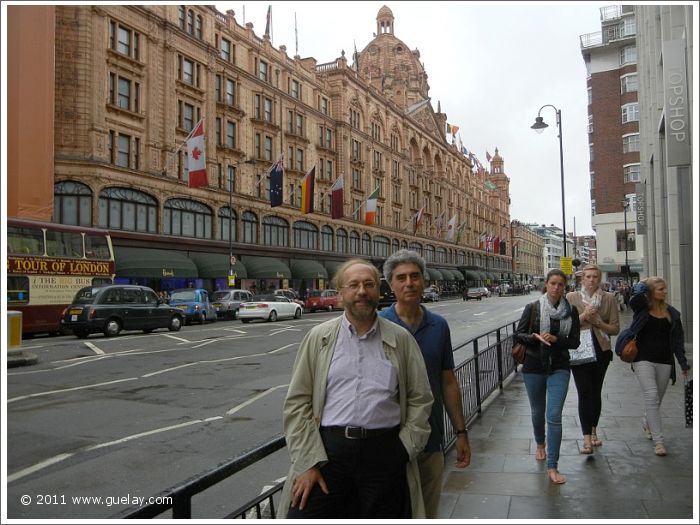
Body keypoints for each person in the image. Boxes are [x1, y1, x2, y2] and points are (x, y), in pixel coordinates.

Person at [279, 259, 433, 518]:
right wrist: (308, 462)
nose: (362, 291)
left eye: (369, 284)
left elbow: (421, 398)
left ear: (378, 290)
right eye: (353, 285)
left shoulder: (401, 338)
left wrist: (405, 449)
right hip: (328, 455)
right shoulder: (319, 337)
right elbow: (297, 403)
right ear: (341, 293)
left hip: (385, 453)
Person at [379, 250, 471, 518]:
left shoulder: (439, 325)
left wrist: (461, 432)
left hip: (430, 440)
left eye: (415, 276)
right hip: (388, 443)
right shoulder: (379, 325)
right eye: (401, 278)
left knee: (427, 513)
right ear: (391, 284)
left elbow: (448, 381)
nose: (409, 283)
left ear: (424, 281)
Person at [513, 269, 580, 484]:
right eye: (553, 283)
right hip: (534, 365)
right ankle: (540, 443)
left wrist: (557, 338)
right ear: (546, 284)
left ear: (564, 287)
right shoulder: (533, 308)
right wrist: (534, 338)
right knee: (537, 411)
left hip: (559, 366)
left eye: (561, 284)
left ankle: (553, 466)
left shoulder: (572, 312)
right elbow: (518, 335)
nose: (556, 287)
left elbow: (575, 342)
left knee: (554, 416)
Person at [628, 277, 690, 456]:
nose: (665, 291)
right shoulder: (641, 309)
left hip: (664, 361)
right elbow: (635, 297)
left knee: (657, 399)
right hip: (642, 359)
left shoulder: (673, 313)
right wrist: (645, 285)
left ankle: (647, 421)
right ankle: (659, 442)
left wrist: (683, 363)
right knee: (652, 395)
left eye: (665, 288)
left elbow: (678, 342)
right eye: (660, 289)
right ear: (650, 292)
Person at [566, 264, 620, 453]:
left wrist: (598, 322)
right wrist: (584, 316)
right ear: (582, 279)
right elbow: (567, 327)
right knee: (583, 392)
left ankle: (594, 431)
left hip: (601, 350)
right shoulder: (571, 298)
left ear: (600, 279)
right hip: (580, 350)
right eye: (588, 277)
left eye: (595, 277)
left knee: (595, 392)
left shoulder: (609, 299)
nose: (591, 280)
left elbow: (615, 328)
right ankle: (586, 438)